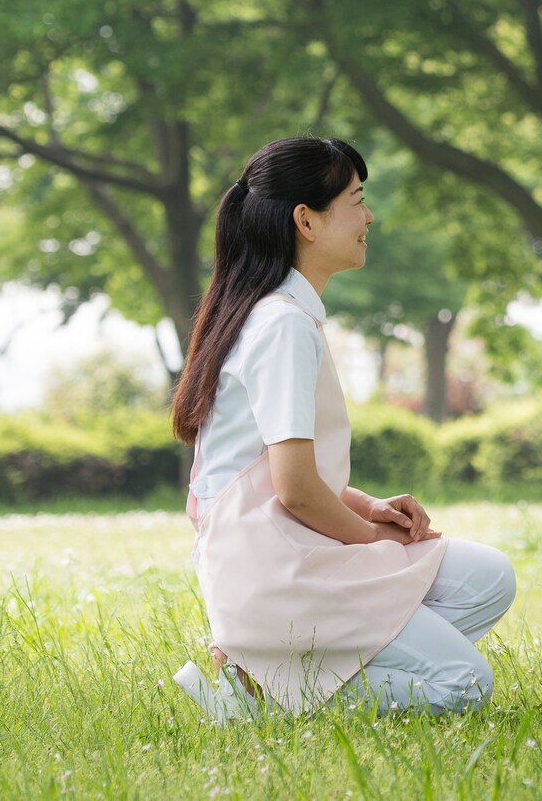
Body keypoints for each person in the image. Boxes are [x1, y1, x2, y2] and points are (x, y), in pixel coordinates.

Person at [169, 136, 515, 722]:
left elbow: (270, 473)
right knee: (464, 685)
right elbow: (294, 491)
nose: (369, 216)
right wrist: (371, 541)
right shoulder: (281, 325)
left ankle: (281, 677)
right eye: (356, 200)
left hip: (280, 550)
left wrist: (369, 506)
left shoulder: (280, 314)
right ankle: (269, 699)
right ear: (306, 219)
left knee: (487, 578)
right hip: (272, 569)